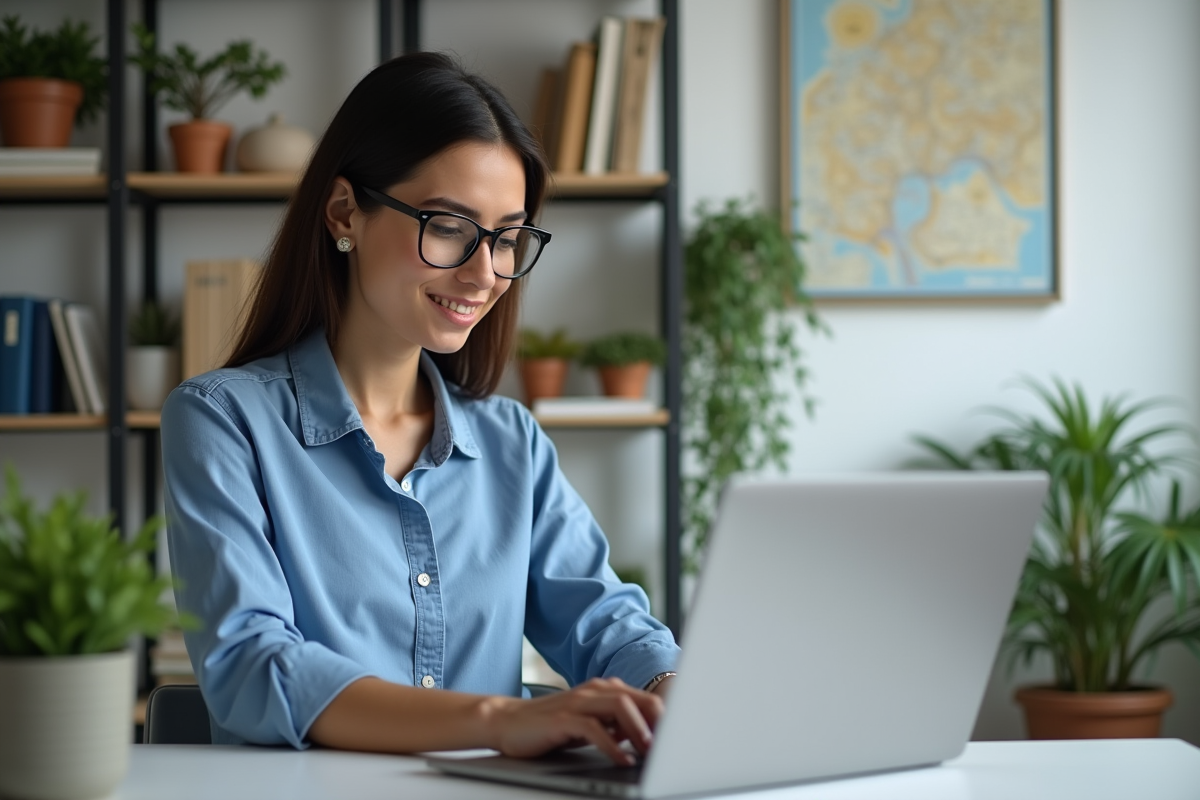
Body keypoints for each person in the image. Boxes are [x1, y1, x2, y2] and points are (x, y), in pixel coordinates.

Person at [160, 52, 679, 764]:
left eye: (507, 237)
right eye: (448, 226)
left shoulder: (509, 441)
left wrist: (670, 688)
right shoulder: (223, 421)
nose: (484, 271)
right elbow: (254, 667)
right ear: (345, 211)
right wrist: (499, 720)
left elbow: (603, 620)